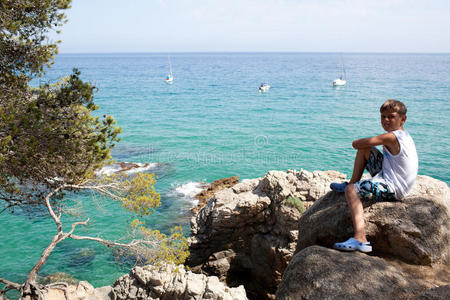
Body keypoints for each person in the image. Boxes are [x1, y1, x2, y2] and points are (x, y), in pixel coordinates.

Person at [330, 99, 418, 253]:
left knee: (351, 191)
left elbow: (356, 143)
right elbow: (363, 147)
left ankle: (360, 238)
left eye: (391, 117)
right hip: (390, 176)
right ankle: (352, 181)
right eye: (383, 116)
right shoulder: (402, 134)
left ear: (402, 119)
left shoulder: (391, 137)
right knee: (365, 150)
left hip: (394, 188)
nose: (386, 120)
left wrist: (359, 141)